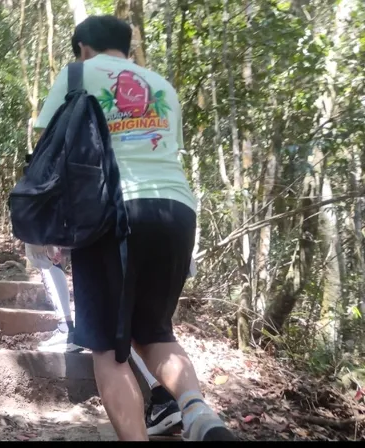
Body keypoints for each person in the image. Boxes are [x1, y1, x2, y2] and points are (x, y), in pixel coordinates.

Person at [33, 16, 235, 441]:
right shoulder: (162, 85)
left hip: (113, 214)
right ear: (127, 46)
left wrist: (51, 225)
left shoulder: (78, 74)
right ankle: (198, 414)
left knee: (108, 347)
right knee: (152, 332)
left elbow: (48, 149)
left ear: (83, 47)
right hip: (177, 210)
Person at [27, 244, 183, 436]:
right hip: (165, 231)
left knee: (107, 341)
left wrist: (49, 239)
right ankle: (186, 405)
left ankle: (65, 326)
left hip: (98, 230)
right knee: (141, 323)